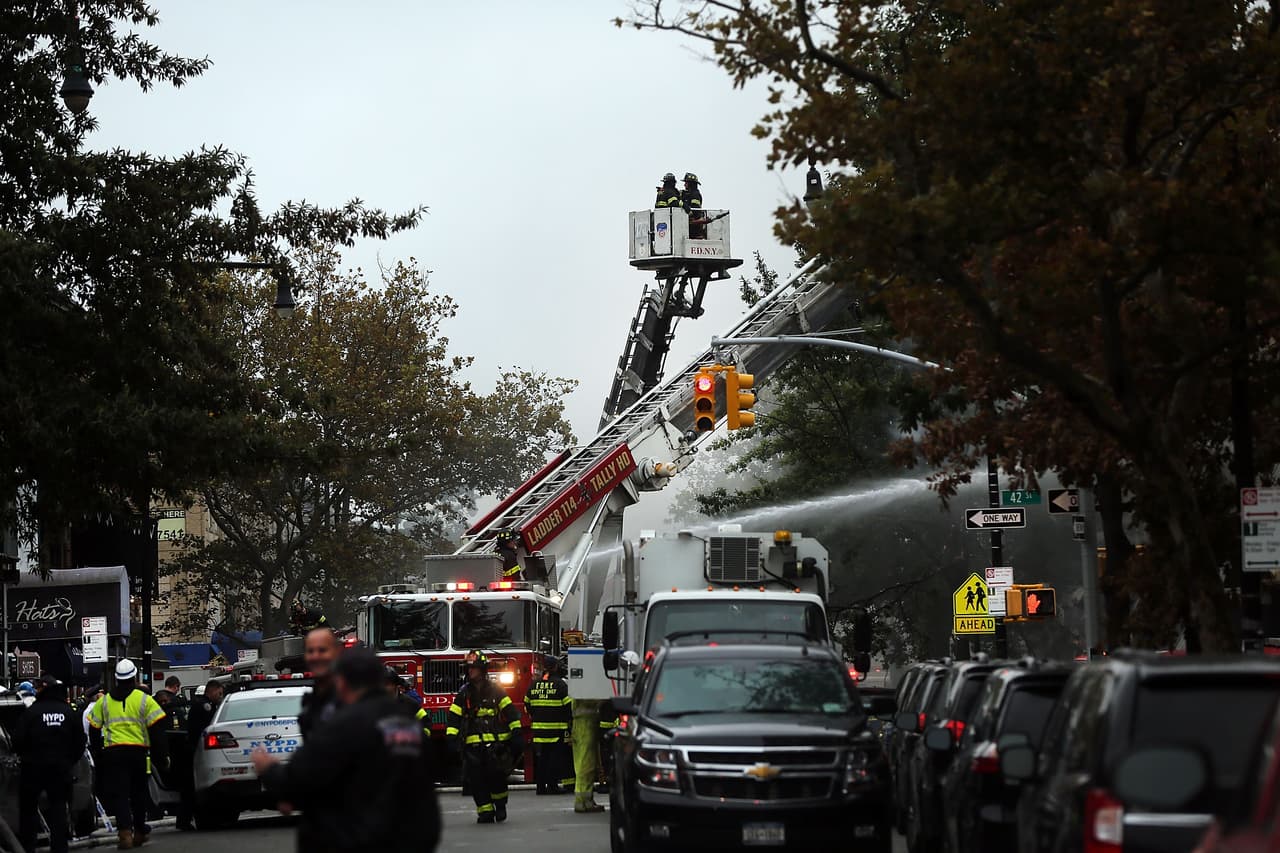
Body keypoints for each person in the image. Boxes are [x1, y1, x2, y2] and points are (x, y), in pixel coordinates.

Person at [253, 647, 440, 853]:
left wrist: (269, 770)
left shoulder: (343, 725)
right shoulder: (408, 726)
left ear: (341, 682)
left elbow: (303, 775)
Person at [87, 659, 169, 850]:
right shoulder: (144, 700)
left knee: (120, 795)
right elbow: (158, 730)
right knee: (139, 793)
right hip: (138, 753)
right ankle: (140, 830)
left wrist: (99, 752)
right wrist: (162, 756)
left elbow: (93, 728)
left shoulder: (104, 701)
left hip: (113, 755)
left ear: (116, 679)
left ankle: (125, 834)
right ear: (134, 677)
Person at [446, 652, 525, 823]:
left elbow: (511, 713)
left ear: (482, 669)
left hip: (496, 746)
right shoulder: (464, 693)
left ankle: (500, 805)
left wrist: (517, 734)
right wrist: (451, 738)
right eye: (469, 668)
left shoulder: (496, 691)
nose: (470, 671)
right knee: (477, 781)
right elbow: (454, 717)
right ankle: (485, 811)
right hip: (473, 746)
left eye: (473, 668)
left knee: (496, 777)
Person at [13, 675, 85, 853]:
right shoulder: (68, 712)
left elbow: (18, 740)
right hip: (60, 769)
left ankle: (28, 847)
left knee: (28, 810)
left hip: (33, 768)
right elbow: (80, 741)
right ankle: (59, 847)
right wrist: (69, 761)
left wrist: (26, 757)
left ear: (42, 690)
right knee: (58, 809)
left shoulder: (32, 712)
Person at [178, 680, 224, 831]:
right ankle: (187, 820)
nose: (220, 696)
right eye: (219, 693)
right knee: (194, 788)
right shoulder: (205, 707)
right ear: (212, 691)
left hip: (192, 750)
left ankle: (185, 820)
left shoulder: (201, 705)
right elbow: (207, 729)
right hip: (196, 751)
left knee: (190, 788)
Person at [523, 655, 571, 795]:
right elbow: (569, 707)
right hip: (556, 730)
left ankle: (540, 787)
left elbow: (527, 704)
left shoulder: (534, 684)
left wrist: (536, 716)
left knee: (541, 759)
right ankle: (552, 786)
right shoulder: (560, 685)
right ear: (555, 667)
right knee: (554, 759)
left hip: (538, 730)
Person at [297, 627, 341, 738]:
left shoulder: (352, 698)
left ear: (337, 652)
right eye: (310, 651)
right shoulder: (310, 703)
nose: (315, 657)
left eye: (322, 650)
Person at [571, 697, 606, 813]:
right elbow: (591, 702)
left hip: (580, 724)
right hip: (586, 725)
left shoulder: (577, 691)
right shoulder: (586, 693)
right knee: (586, 765)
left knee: (581, 764)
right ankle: (583, 801)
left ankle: (586, 800)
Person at [681, 172, 706, 238]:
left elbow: (696, 211)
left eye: (686, 183)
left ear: (690, 184)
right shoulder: (688, 194)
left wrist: (688, 211)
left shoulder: (695, 195)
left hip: (693, 227)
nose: (684, 185)